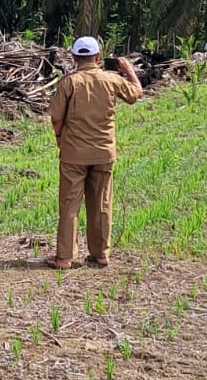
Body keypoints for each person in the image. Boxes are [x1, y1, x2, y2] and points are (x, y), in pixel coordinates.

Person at [47, 35, 142, 269]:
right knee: (101, 203)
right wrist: (128, 70)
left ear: (74, 58)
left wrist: (59, 138)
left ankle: (65, 258)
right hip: (103, 152)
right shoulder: (111, 80)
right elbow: (136, 94)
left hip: (73, 153)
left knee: (70, 204)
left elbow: (56, 116)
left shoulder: (69, 82)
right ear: (97, 57)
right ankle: (101, 254)